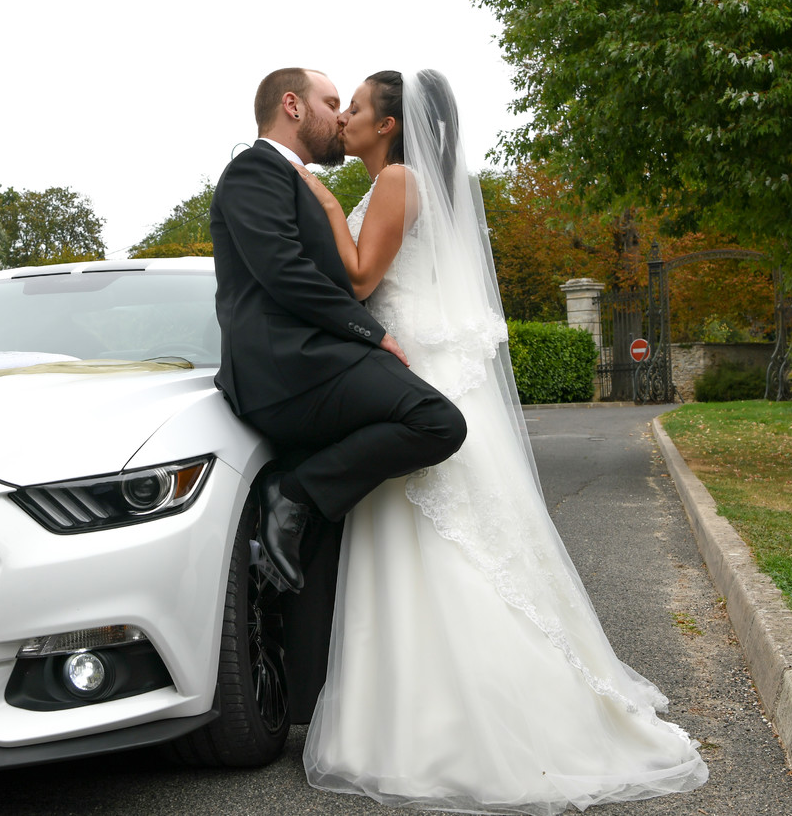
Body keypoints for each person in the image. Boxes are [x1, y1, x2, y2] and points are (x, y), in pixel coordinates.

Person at [289, 69, 710, 814]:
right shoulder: (416, 183)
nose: (345, 118)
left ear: (388, 124)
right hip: (425, 366)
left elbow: (358, 282)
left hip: (418, 374)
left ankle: (456, 722)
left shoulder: (394, 182)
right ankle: (442, 709)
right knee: (456, 537)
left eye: (355, 107)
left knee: (440, 538)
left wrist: (318, 199)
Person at [209, 67, 468, 600]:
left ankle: (310, 674)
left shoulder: (311, 181)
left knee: (324, 562)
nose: (342, 115)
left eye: (350, 106)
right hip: (292, 367)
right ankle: (293, 493)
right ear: (293, 106)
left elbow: (345, 274)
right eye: (332, 102)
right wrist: (371, 334)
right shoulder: (254, 170)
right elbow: (286, 272)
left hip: (316, 364)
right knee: (437, 421)